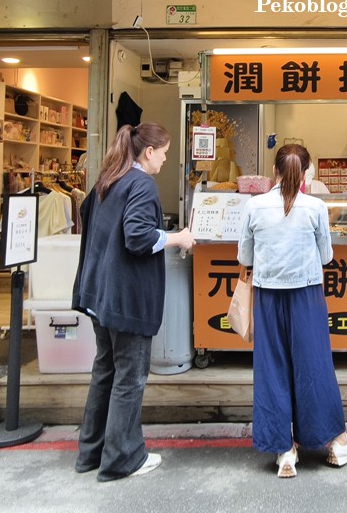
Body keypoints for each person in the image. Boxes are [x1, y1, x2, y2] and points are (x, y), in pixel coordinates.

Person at [71, 123, 196, 482]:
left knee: (104, 372)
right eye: (165, 152)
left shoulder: (108, 179)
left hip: (98, 294)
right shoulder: (141, 183)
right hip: (125, 299)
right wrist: (179, 237)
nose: (165, 159)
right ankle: (121, 459)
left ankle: (90, 453)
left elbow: (87, 217)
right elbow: (138, 236)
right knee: (129, 378)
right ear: (149, 152)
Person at [237, 143, 347, 479]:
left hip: (267, 296)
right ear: (307, 172)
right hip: (306, 294)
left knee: (272, 369)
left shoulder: (255, 205)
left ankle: (284, 451)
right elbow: (325, 257)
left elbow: (244, 257)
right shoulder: (315, 207)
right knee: (314, 367)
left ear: (274, 171)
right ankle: (333, 442)